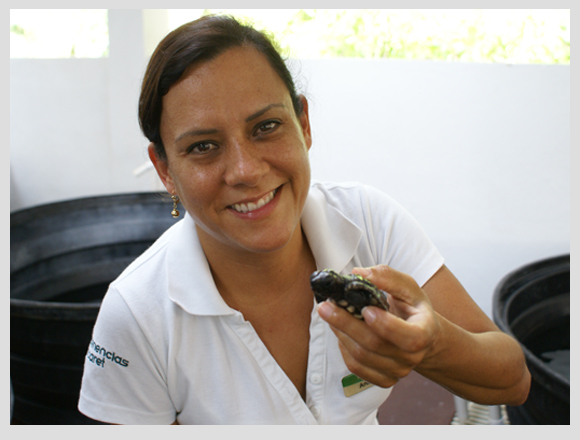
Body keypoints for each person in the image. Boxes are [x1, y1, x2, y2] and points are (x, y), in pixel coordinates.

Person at [78, 15, 530, 425]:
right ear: (164, 171)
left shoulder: (369, 223)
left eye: (266, 127)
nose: (246, 171)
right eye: (203, 146)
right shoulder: (137, 315)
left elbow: (512, 378)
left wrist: (432, 346)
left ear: (304, 123)